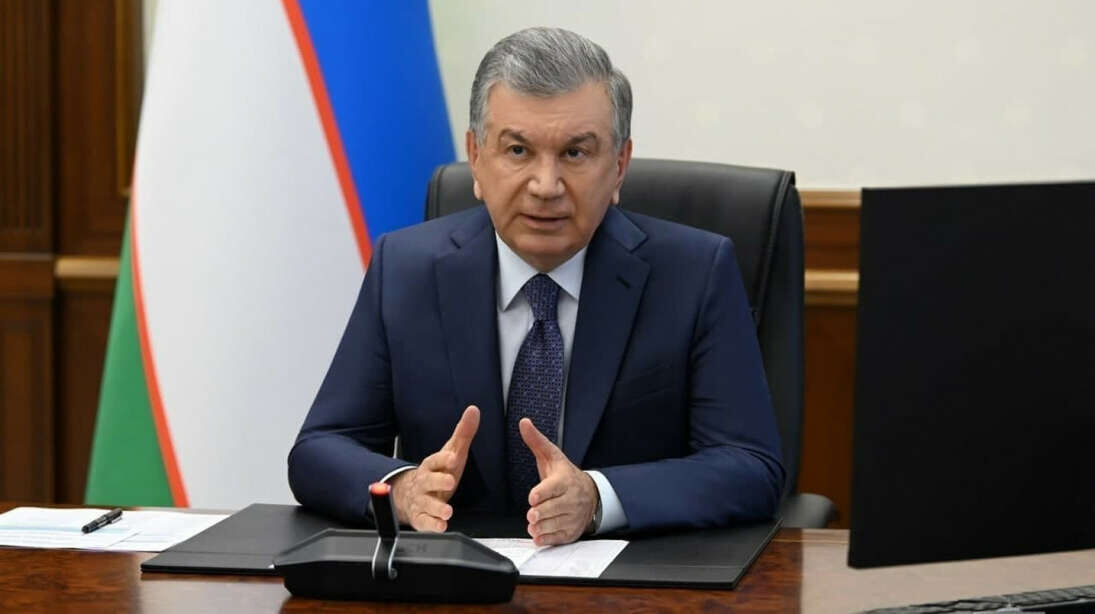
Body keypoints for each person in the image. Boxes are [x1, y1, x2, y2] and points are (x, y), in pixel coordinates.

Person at [288, 27, 784, 546]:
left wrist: (598, 498)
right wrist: (403, 488)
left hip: (630, 577)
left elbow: (750, 466)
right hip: (453, 575)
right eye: (518, 150)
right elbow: (320, 449)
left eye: (575, 153)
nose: (546, 186)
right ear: (476, 156)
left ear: (619, 166)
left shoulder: (695, 274)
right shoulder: (406, 269)